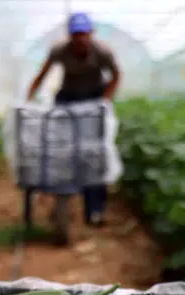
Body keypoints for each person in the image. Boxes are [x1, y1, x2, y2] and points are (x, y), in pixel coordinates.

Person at [26, 12, 121, 227]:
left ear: (90, 34)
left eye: (84, 34)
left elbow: (116, 76)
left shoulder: (102, 52)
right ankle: (59, 193)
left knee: (94, 152)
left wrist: (105, 101)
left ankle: (95, 210)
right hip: (68, 95)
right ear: (70, 35)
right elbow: (41, 75)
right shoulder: (59, 50)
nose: (80, 39)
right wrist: (29, 99)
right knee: (61, 147)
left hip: (94, 95)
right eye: (76, 35)